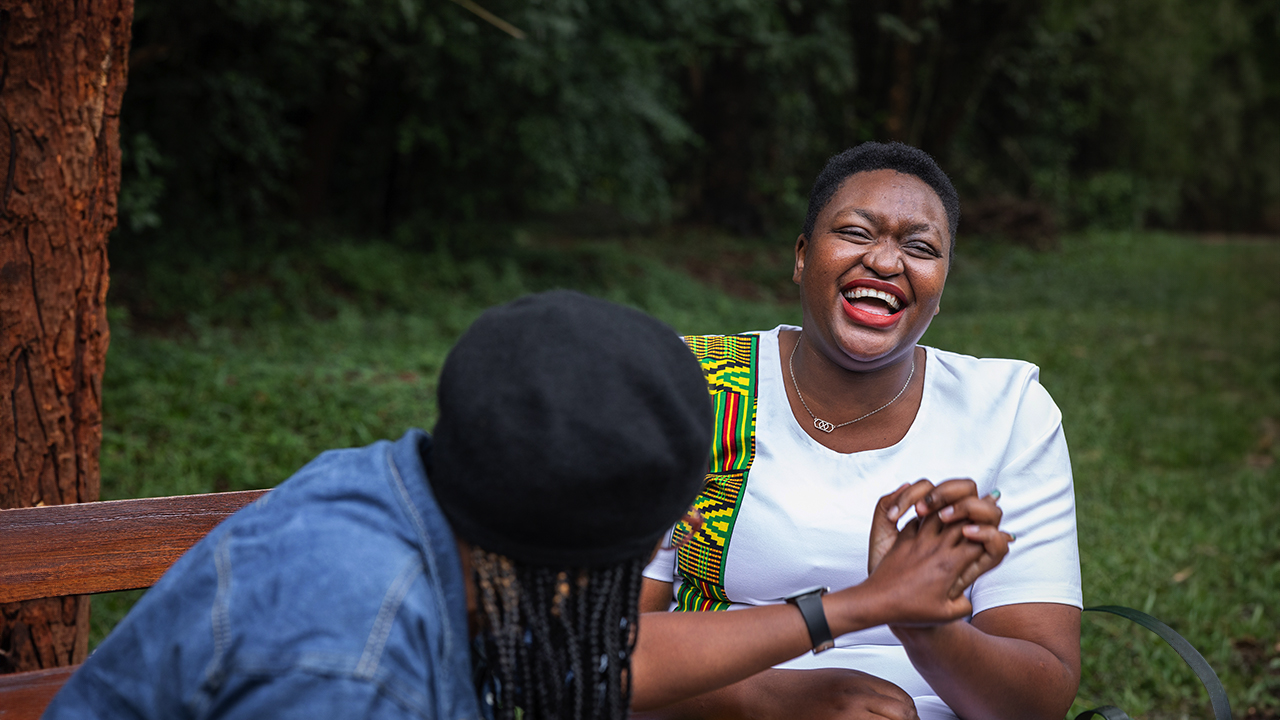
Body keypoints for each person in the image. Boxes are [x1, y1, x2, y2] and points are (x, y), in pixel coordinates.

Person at [42, 290, 1010, 720]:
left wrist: (856, 607)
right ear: (567, 569)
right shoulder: (349, 667)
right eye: (623, 571)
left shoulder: (402, 481)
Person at [636, 142, 1082, 720]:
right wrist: (773, 699)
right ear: (801, 256)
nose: (886, 262)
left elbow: (1037, 699)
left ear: (941, 286)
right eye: (855, 232)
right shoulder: (695, 386)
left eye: (920, 247)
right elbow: (602, 653)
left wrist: (923, 625)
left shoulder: (1007, 411)